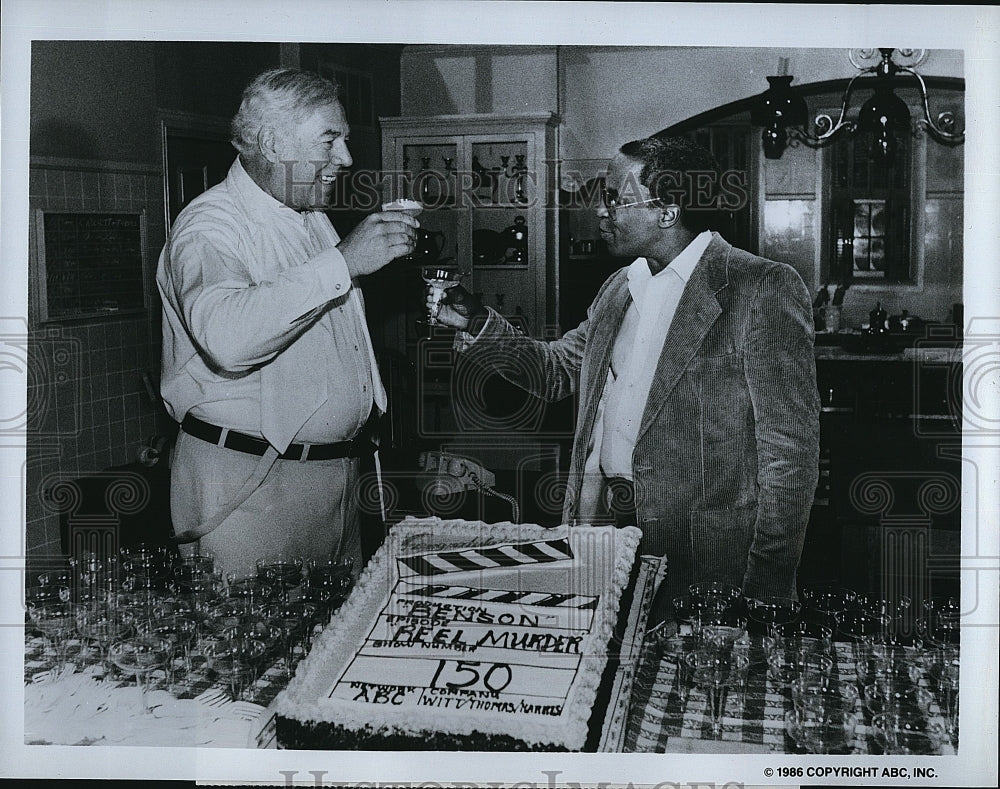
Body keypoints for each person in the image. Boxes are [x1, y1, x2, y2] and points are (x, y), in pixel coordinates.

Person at [433, 135, 820, 603]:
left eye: (615, 197)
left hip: (705, 557)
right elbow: (555, 372)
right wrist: (477, 321)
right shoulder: (620, 286)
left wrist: (767, 585)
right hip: (602, 535)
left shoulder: (760, 287)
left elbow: (789, 457)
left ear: (667, 211)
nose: (601, 209)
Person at [157, 67, 419, 580]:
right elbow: (228, 339)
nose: (345, 157)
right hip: (251, 491)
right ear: (274, 144)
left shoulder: (307, 216)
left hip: (330, 485)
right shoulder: (209, 226)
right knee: (253, 652)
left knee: (328, 650)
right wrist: (344, 262)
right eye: (330, 139)